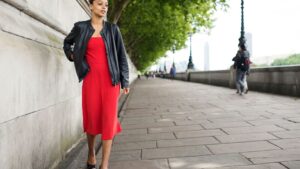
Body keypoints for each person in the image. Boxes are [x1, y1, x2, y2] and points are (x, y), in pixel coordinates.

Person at [63, 0, 129, 168]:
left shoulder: (113, 30)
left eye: (106, 5)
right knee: (92, 119)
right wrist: (72, 56)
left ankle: (104, 164)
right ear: (91, 6)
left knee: (108, 121)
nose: (104, 7)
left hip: (111, 82)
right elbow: (67, 43)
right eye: (100, 4)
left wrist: (125, 80)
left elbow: (121, 56)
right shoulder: (81, 27)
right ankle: (91, 153)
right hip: (90, 80)